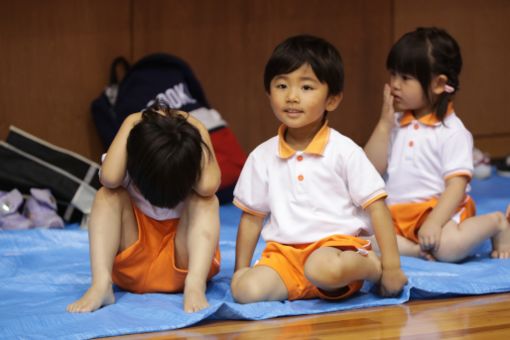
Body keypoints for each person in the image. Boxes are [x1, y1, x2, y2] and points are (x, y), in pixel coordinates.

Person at [230, 35, 407, 304]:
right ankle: (299, 286)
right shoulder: (261, 156)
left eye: (306, 87)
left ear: (332, 100)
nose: (291, 96)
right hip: (285, 257)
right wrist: (240, 270)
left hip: (334, 249)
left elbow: (377, 207)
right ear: (269, 93)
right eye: (281, 85)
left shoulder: (344, 150)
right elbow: (252, 218)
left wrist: (392, 267)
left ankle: (371, 265)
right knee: (245, 291)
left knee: (322, 268)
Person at [364, 27, 510, 261]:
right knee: (360, 240)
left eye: (405, 78)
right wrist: (383, 124)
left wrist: (433, 223)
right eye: (392, 75)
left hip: (439, 211)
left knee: (448, 248)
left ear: (439, 84)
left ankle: (497, 223)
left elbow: (456, 187)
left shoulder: (452, 131)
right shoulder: (395, 122)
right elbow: (370, 169)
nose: (394, 84)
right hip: (396, 213)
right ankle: (417, 251)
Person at [67, 102, 221, 313]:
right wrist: (131, 120)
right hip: (134, 262)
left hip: (184, 264)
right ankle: (101, 284)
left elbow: (209, 185)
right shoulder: (134, 152)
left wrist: (197, 126)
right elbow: (110, 178)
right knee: (107, 195)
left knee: (206, 200)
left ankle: (195, 286)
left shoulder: (188, 157)